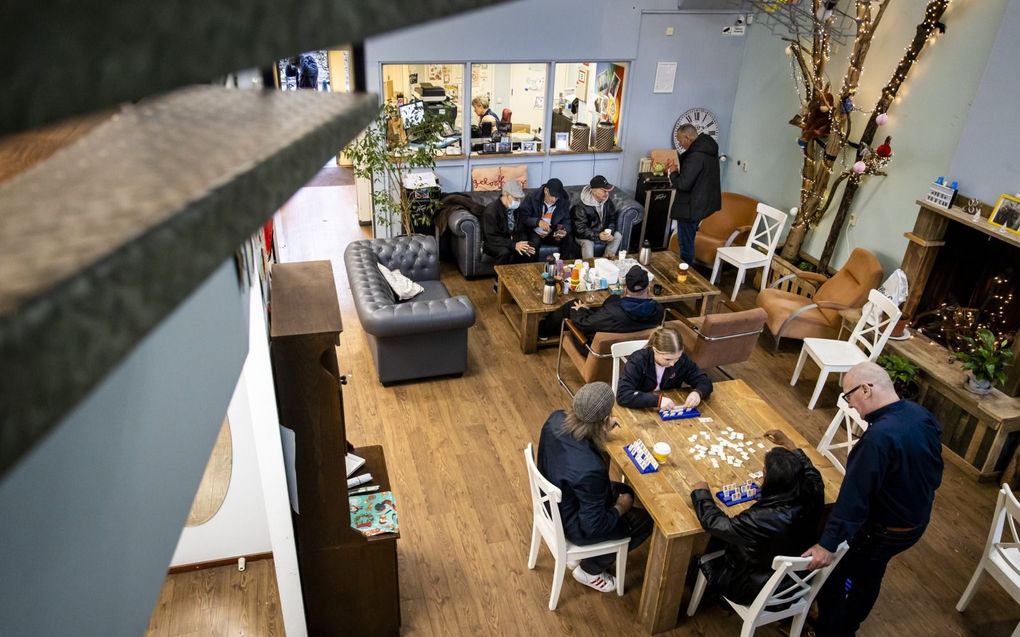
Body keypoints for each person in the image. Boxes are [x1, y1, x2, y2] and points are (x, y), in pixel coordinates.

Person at [799, 361, 944, 637]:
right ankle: (850, 624)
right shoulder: (919, 414)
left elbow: (855, 498)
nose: (849, 405)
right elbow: (935, 469)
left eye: (848, 396)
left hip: (883, 531)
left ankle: (834, 631)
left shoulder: (879, 437)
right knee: (871, 573)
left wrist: (827, 546)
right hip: (915, 522)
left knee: (834, 580)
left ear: (866, 390)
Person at [536, 382, 654, 592]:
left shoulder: (555, 418)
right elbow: (594, 526)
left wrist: (600, 429)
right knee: (646, 520)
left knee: (625, 490)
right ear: (604, 418)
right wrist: (621, 508)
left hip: (553, 500)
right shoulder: (591, 469)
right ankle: (590, 569)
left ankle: (582, 558)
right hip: (573, 523)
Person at [690, 434, 824, 605]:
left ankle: (704, 589)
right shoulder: (814, 490)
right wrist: (792, 446)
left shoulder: (760, 518)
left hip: (753, 587)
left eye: (764, 473)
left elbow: (715, 523)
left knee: (717, 539)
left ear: (772, 480)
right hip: (797, 580)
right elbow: (810, 471)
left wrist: (701, 493)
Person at [538, 265, 664, 340]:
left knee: (574, 303)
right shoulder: (658, 309)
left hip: (595, 349)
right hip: (634, 351)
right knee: (611, 301)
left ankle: (543, 330)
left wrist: (581, 310)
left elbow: (585, 325)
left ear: (625, 290)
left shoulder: (614, 312)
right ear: (648, 289)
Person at [616, 326, 712, 410]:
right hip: (641, 409)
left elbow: (704, 380)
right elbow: (623, 394)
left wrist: (698, 392)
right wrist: (658, 401)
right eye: (668, 359)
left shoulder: (682, 360)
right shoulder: (638, 360)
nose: (672, 364)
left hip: (670, 407)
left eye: (677, 358)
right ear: (655, 350)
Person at [666, 124, 721, 265]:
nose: (679, 143)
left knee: (685, 244)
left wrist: (672, 172)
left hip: (690, 206)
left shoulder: (695, 156)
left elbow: (684, 184)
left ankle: (685, 274)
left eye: (680, 140)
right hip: (702, 204)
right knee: (689, 239)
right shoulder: (708, 150)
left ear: (687, 137)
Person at [518, 178, 576, 259]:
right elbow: (523, 217)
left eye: (557, 197)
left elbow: (566, 221)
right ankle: (533, 269)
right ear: (546, 190)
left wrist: (563, 230)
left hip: (551, 231)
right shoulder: (532, 198)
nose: (554, 200)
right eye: (552, 196)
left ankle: (563, 266)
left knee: (568, 239)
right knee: (534, 243)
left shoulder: (563, 201)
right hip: (534, 231)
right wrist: (538, 222)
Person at [482, 180, 535, 265]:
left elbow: (521, 229)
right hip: (494, 243)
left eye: (519, 199)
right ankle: (501, 278)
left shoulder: (517, 209)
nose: (518, 201)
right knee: (504, 252)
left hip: (512, 240)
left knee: (529, 247)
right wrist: (514, 245)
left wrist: (521, 242)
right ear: (506, 195)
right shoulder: (491, 211)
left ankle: (523, 276)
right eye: (516, 198)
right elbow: (492, 237)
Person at [573, 175, 622, 259]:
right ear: (594, 191)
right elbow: (580, 229)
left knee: (617, 235)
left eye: (607, 191)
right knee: (588, 243)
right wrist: (598, 235)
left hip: (602, 233)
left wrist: (611, 232)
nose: (607, 193)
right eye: (604, 191)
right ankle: (589, 267)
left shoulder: (607, 201)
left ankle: (606, 261)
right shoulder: (580, 206)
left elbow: (612, 219)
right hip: (585, 236)